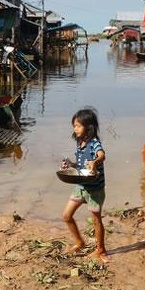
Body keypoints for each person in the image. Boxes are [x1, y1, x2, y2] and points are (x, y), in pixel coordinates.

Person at [61, 108, 108, 263]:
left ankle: (101, 250)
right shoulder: (79, 143)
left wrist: (95, 162)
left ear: (88, 127)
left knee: (96, 220)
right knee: (66, 216)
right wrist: (70, 165)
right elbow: (80, 165)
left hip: (95, 190)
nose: (75, 129)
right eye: (74, 126)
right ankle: (79, 242)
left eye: (77, 126)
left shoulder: (94, 143)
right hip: (80, 186)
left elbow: (102, 155)